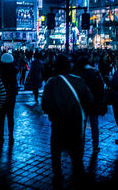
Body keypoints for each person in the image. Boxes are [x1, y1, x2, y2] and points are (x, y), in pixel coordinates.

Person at [41, 54, 93, 188]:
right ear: (69, 66)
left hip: (58, 125)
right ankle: (79, 179)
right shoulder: (79, 81)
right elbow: (89, 101)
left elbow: (45, 105)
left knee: (56, 153)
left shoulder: (51, 83)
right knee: (76, 156)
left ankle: (58, 178)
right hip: (76, 125)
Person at [75, 55, 105, 153]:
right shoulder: (96, 73)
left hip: (83, 103)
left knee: (81, 125)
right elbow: (101, 88)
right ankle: (95, 145)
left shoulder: (79, 74)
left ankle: (80, 143)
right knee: (94, 124)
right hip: (95, 102)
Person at [0, 52, 19, 146]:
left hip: (1, 94)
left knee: (1, 116)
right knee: (10, 116)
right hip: (11, 95)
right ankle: (11, 136)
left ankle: (1, 137)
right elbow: (17, 66)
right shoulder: (13, 69)